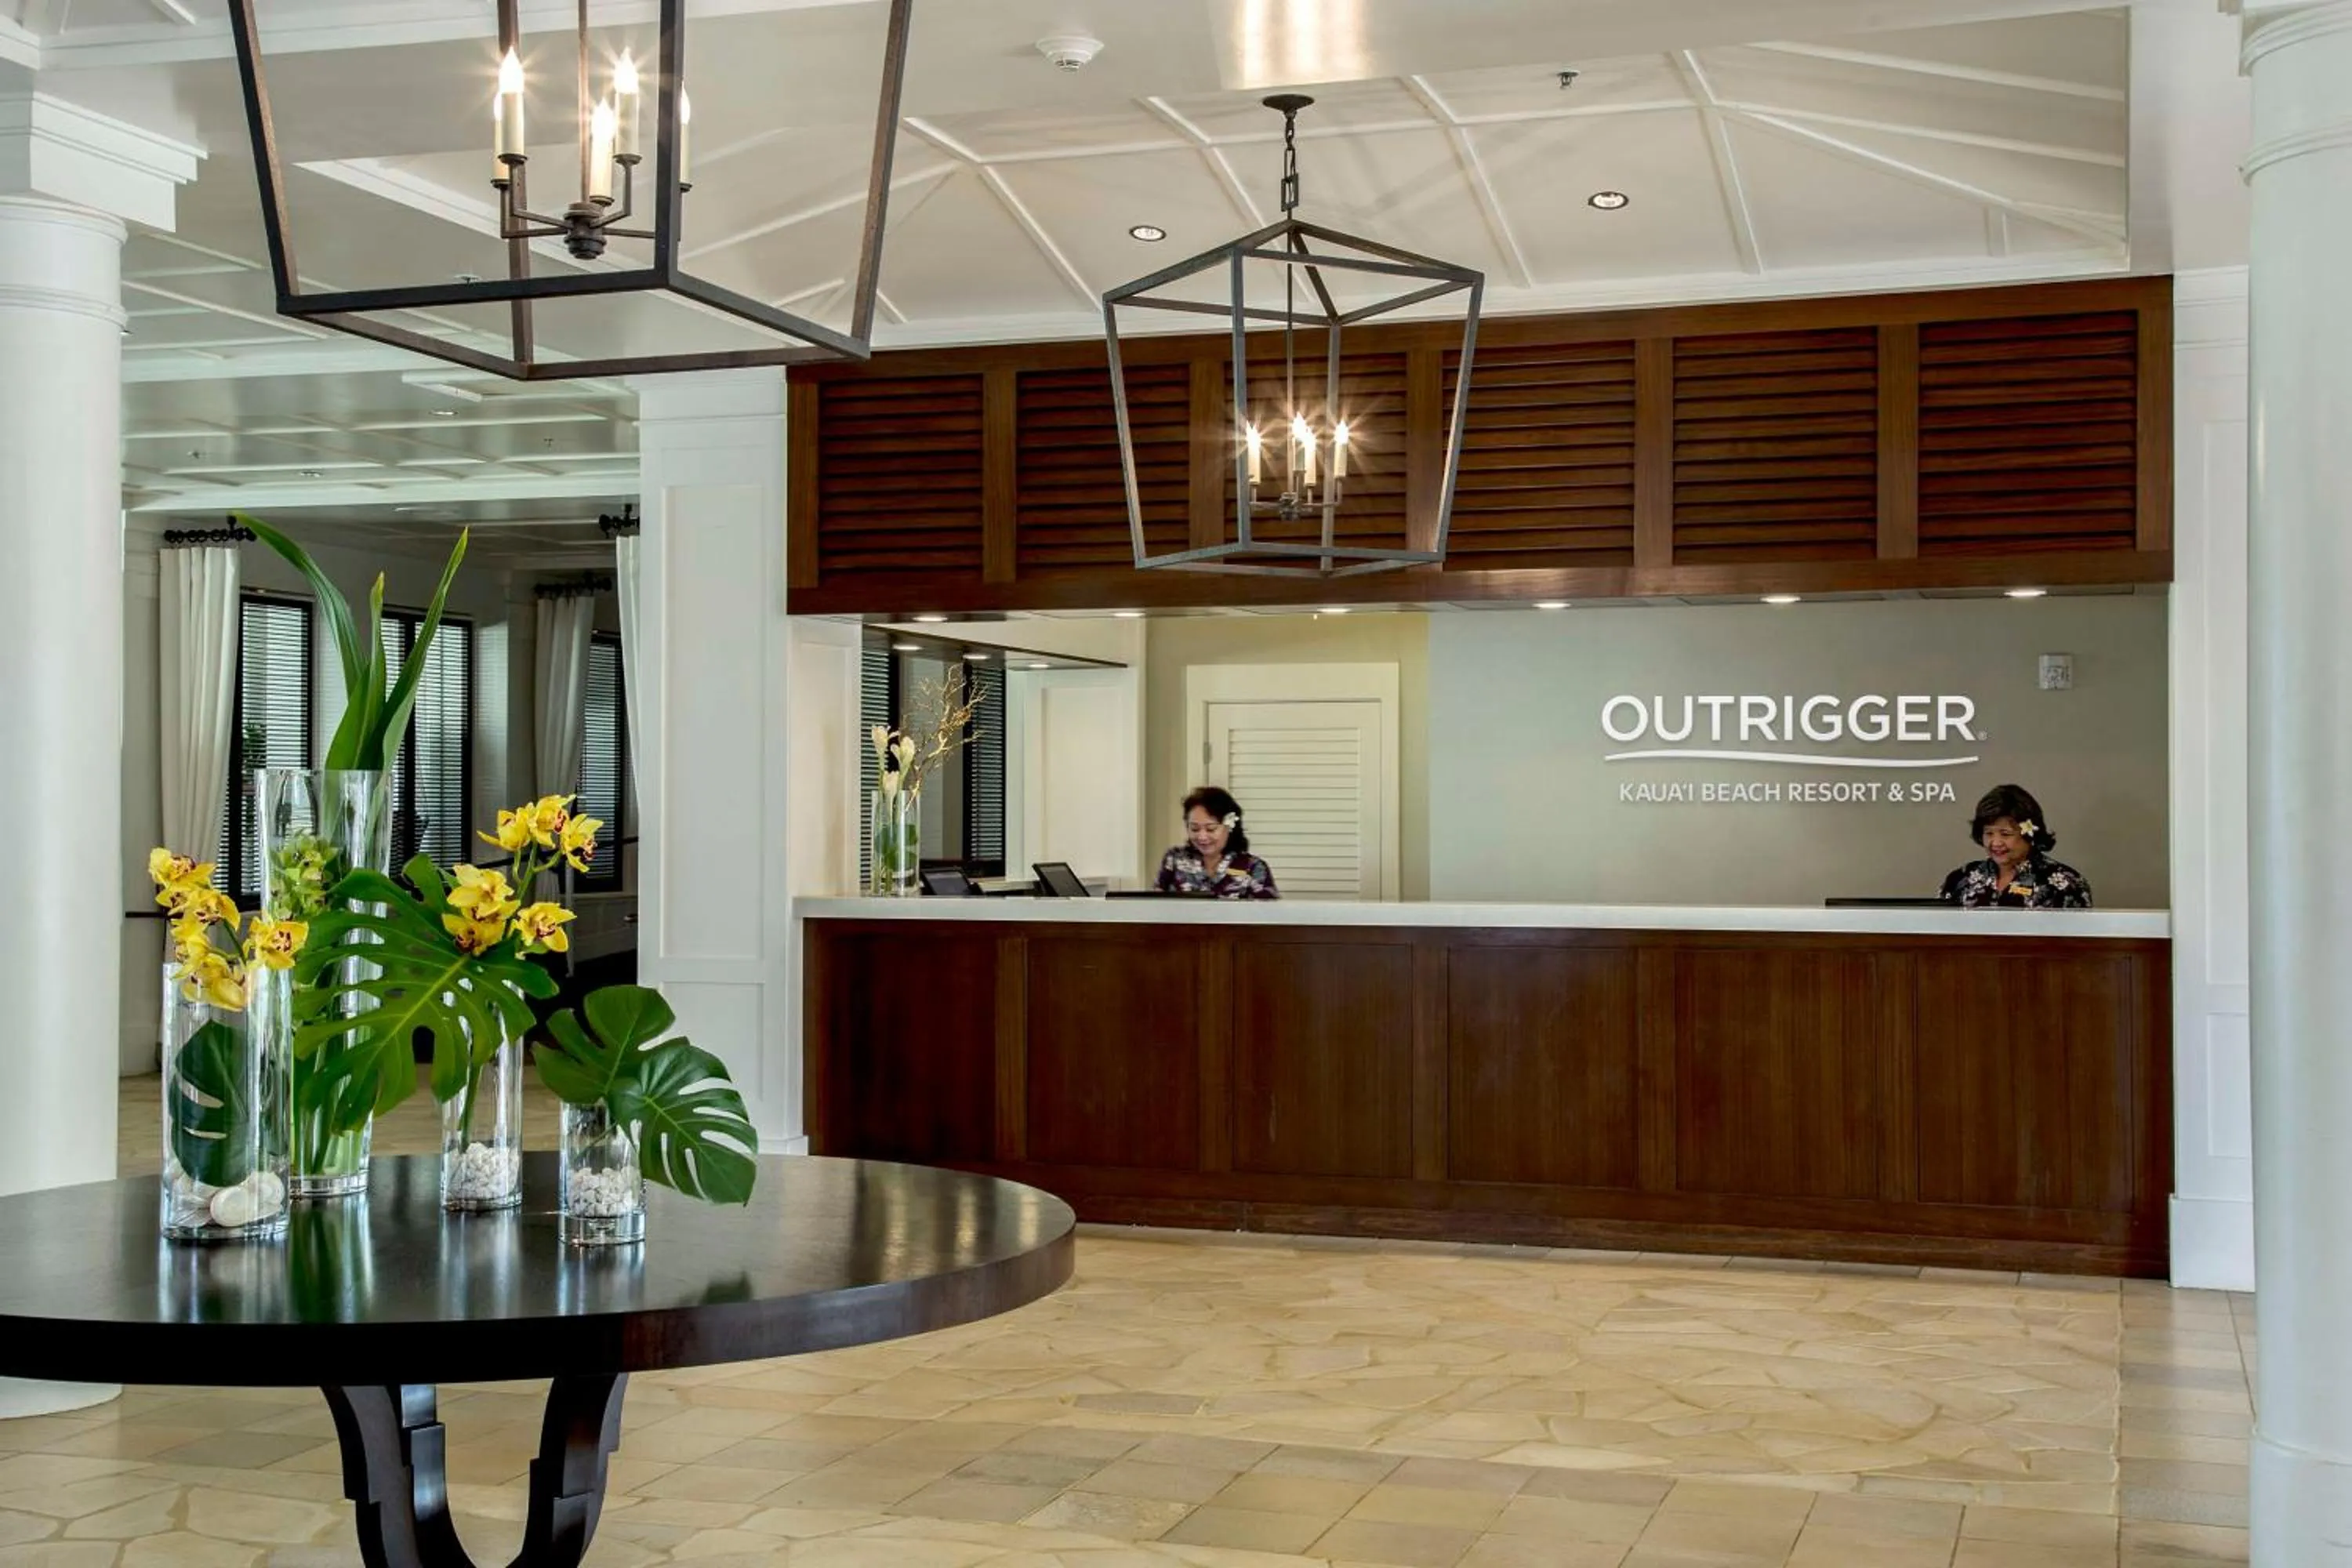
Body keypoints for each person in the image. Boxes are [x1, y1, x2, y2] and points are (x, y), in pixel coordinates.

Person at [1939, 784, 2092, 909]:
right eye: (1989, 833)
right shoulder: (1960, 879)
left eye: (2005, 834)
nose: (1996, 843)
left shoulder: (2064, 884)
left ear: (2029, 833)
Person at [1155, 786, 1279, 900]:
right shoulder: (1175, 859)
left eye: (1211, 829)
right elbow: (1156, 906)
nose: (1202, 837)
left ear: (1229, 827)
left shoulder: (1253, 867)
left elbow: (1268, 916)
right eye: (1194, 829)